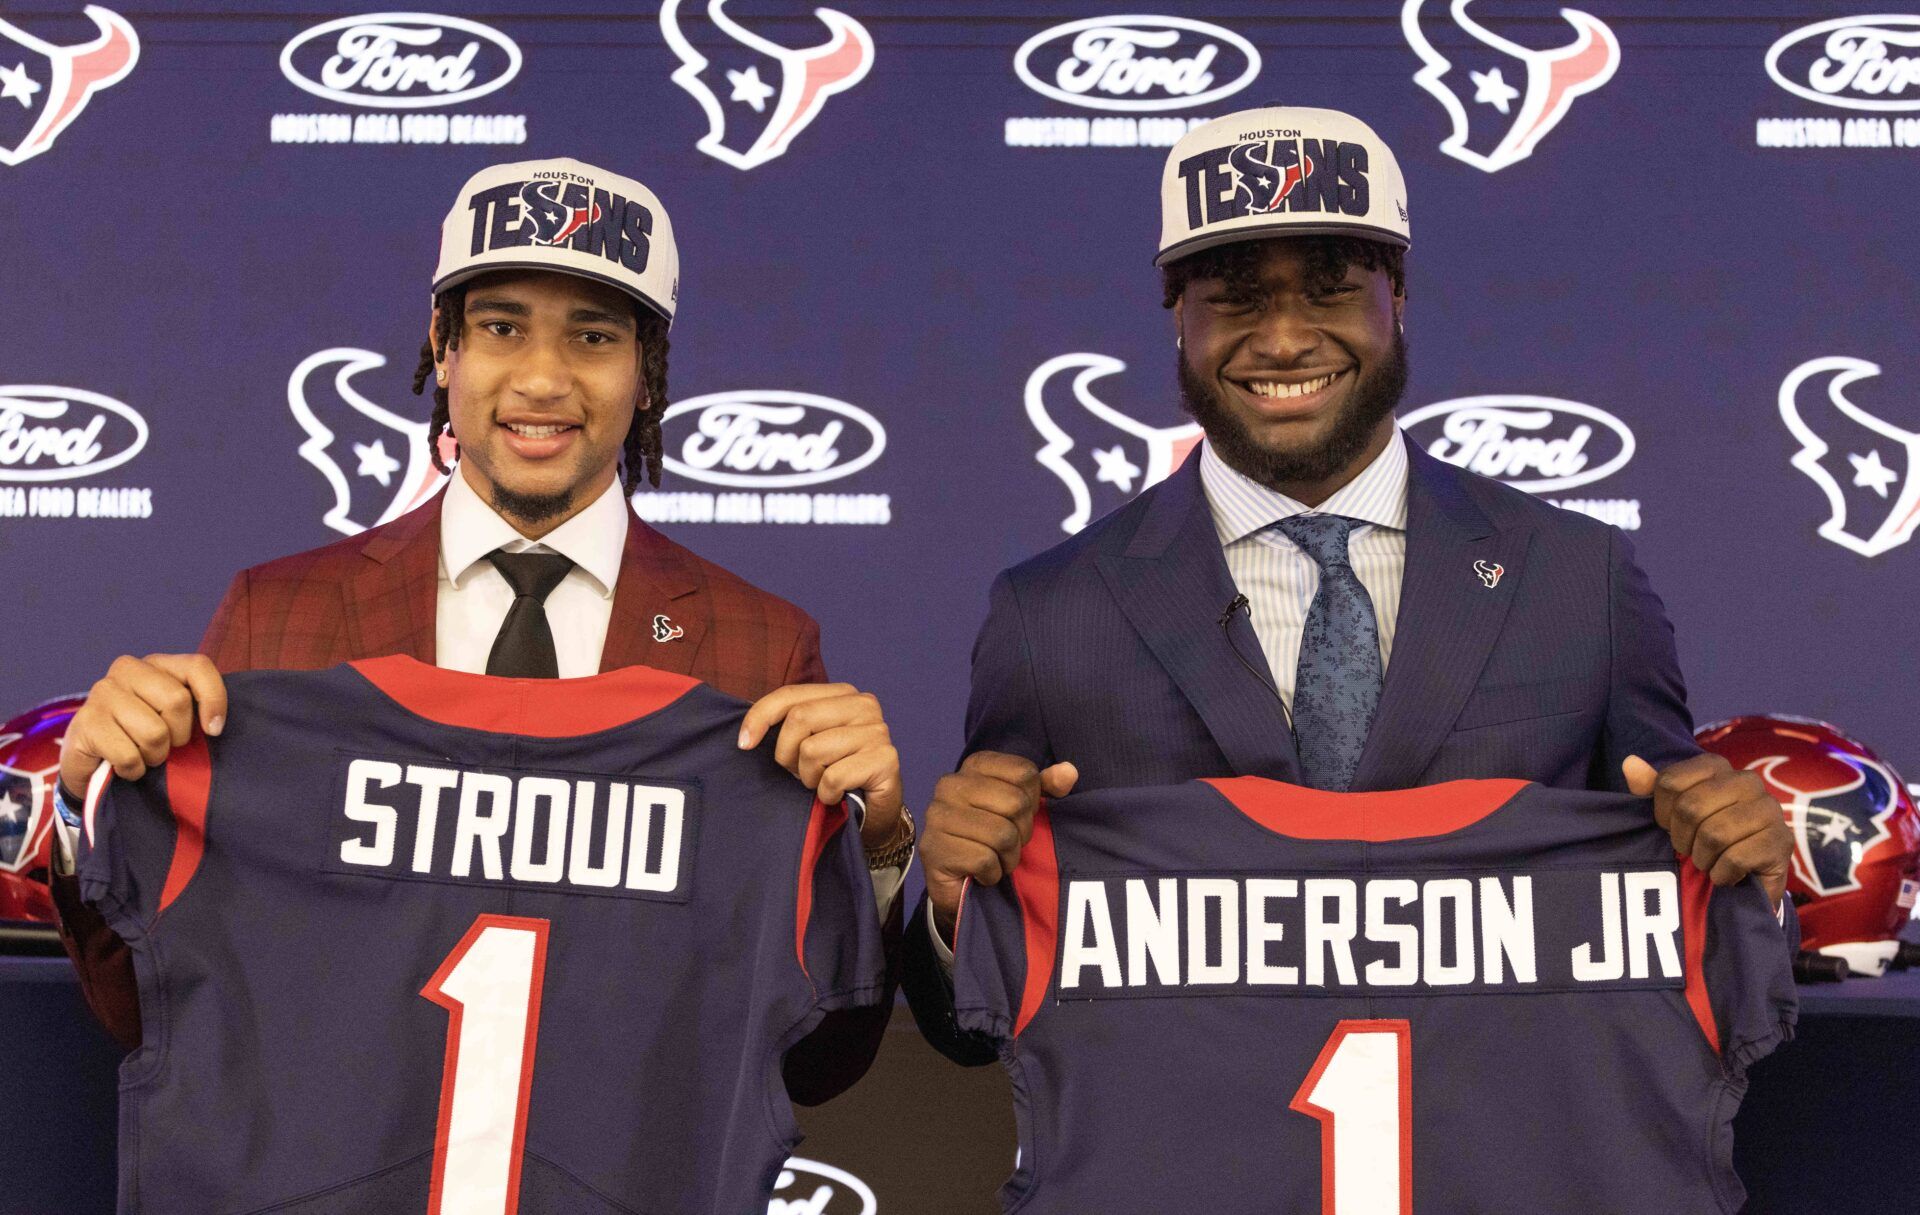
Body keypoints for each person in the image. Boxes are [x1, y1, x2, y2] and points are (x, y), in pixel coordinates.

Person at [904, 106, 1792, 1061]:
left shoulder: (1579, 580)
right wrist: (954, 910)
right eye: (1236, 298)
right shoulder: (1051, 615)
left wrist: (1747, 879)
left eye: (1329, 289)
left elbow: (1689, 937)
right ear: (1177, 313)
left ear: (1396, 294)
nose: (1283, 340)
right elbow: (969, 1029)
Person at [47, 157, 914, 1104]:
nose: (543, 378)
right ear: (443, 345)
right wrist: (90, 808)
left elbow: (814, 1062)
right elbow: (155, 1011)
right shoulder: (281, 616)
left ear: (646, 368)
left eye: (593, 335)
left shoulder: (760, 648)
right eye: (502, 327)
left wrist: (869, 857)